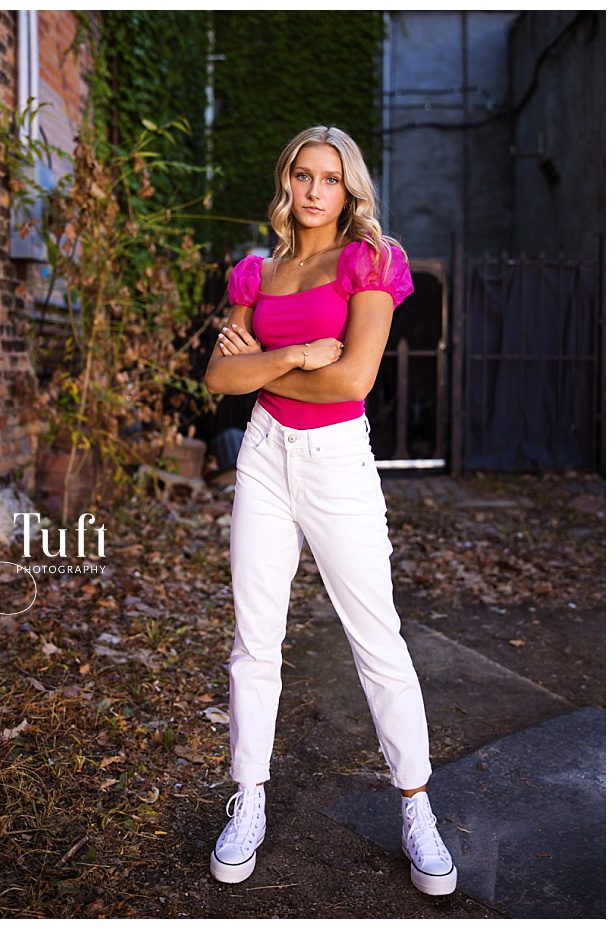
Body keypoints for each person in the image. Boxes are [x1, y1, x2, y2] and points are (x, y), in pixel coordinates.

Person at [201, 126, 455, 895]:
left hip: (338, 460)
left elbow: (352, 383)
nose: (314, 190)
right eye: (303, 175)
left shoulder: (371, 260)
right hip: (264, 456)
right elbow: (220, 378)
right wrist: (288, 356)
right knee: (255, 638)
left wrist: (264, 369)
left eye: (330, 178)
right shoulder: (257, 270)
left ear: (350, 190)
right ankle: (249, 797)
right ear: (287, 182)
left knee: (376, 635)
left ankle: (417, 805)